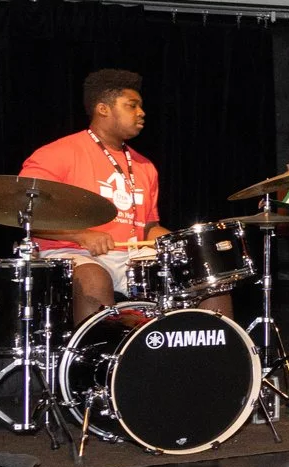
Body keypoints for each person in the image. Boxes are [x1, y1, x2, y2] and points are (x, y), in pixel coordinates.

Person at [22, 69, 234, 324]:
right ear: (103, 109)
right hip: (69, 252)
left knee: (209, 280)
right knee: (94, 278)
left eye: (140, 106)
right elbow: (29, 214)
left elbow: (148, 227)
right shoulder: (57, 154)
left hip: (130, 256)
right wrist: (82, 235)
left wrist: (181, 244)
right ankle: (96, 349)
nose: (141, 112)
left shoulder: (145, 166)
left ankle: (213, 348)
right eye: (132, 105)